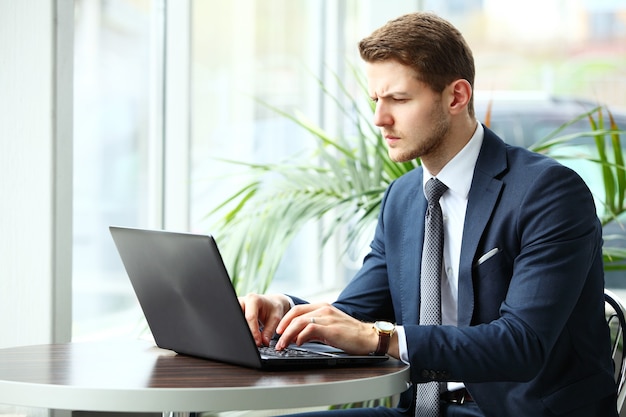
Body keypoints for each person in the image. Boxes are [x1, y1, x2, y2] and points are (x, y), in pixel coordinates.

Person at [238, 12, 618, 417]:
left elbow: (521, 344)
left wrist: (380, 339)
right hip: (421, 411)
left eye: (399, 99)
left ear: (456, 97)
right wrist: (284, 311)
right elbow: (356, 314)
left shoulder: (548, 192)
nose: (380, 119)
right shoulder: (402, 197)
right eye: (376, 100)